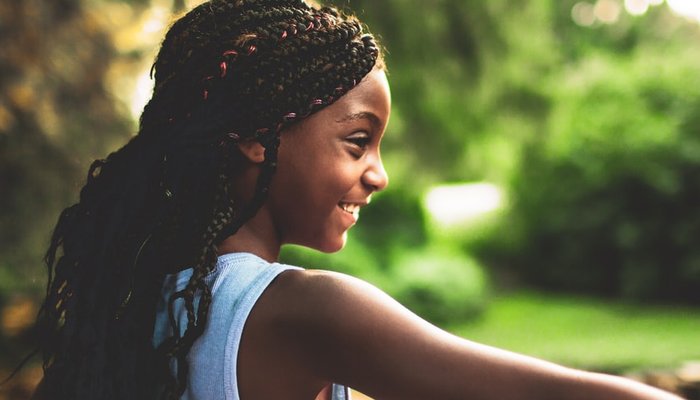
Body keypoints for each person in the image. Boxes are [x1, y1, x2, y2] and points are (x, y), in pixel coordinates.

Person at [30, 0, 684, 399]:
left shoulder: (147, 298)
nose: (379, 175)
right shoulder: (307, 310)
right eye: (357, 142)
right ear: (259, 136)